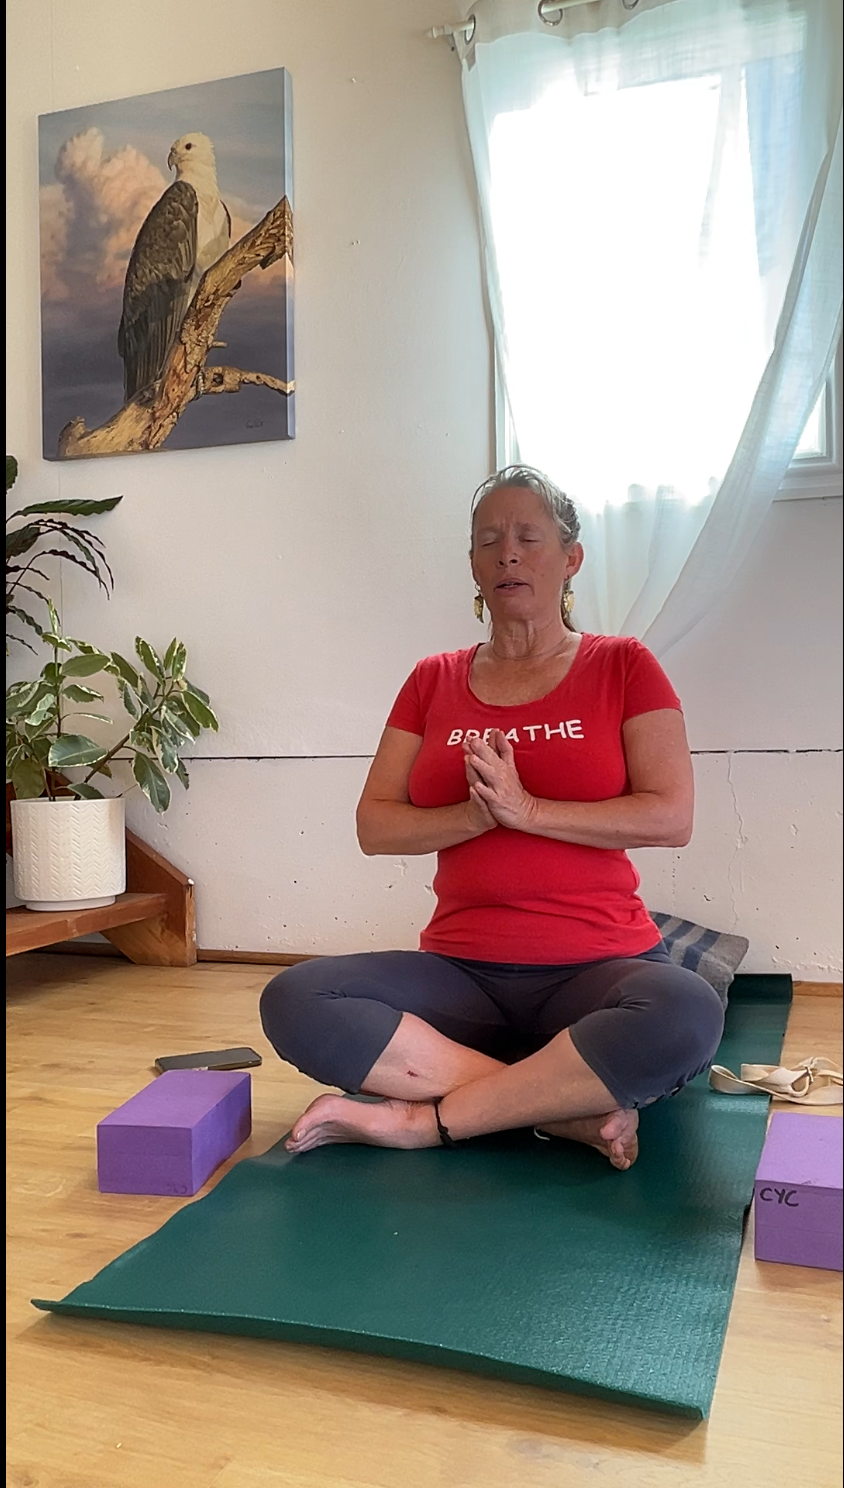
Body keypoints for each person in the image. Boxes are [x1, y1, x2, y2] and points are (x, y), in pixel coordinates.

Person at [260, 466, 724, 1169]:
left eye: (527, 537)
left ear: (570, 559)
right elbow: (375, 826)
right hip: (462, 973)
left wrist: (528, 810)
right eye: (488, 541)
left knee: (687, 1011)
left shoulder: (624, 665)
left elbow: (672, 815)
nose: (507, 553)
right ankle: (561, 1109)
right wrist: (477, 819)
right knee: (295, 998)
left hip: (598, 965)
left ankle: (429, 1121)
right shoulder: (431, 680)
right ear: (474, 567)